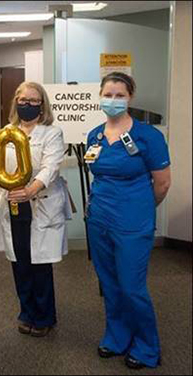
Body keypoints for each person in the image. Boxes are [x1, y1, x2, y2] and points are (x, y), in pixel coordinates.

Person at [85, 72, 171, 369]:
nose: (112, 100)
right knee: (109, 283)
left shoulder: (149, 137)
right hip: (99, 220)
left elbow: (162, 184)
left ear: (130, 97)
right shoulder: (94, 135)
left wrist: (143, 209)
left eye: (119, 95)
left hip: (133, 222)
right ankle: (117, 336)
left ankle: (148, 347)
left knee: (132, 286)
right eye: (108, 94)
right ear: (100, 95)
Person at [0, 81, 72, 338]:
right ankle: (26, 312)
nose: (27, 105)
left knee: (40, 265)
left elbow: (51, 167)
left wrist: (31, 190)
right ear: (16, 102)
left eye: (33, 101)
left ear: (42, 105)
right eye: (23, 100)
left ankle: (45, 316)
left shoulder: (52, 133)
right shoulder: (6, 132)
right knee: (20, 262)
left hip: (40, 202)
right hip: (15, 204)